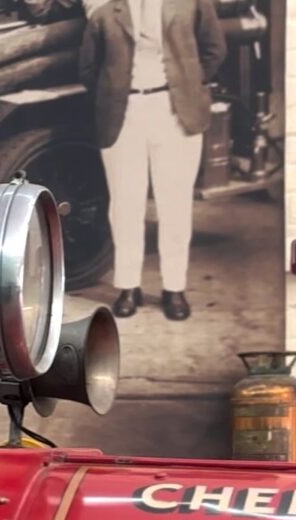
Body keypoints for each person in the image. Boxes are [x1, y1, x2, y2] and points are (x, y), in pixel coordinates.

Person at [80, 0, 224, 321]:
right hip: (123, 114)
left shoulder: (192, 4)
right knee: (124, 205)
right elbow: (88, 69)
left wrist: (186, 85)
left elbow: (215, 50)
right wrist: (116, 94)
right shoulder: (106, 13)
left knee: (175, 204)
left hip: (175, 112)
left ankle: (174, 288)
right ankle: (129, 286)